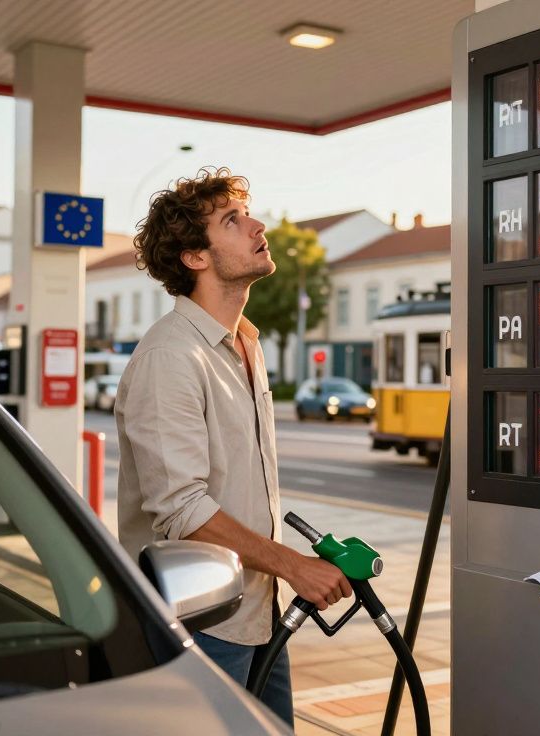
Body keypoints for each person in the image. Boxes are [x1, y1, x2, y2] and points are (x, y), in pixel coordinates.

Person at [114, 168, 351, 724]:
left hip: (255, 613)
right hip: (199, 627)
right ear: (196, 257)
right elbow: (182, 512)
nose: (257, 225)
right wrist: (294, 565)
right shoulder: (171, 358)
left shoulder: (243, 343)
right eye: (233, 220)